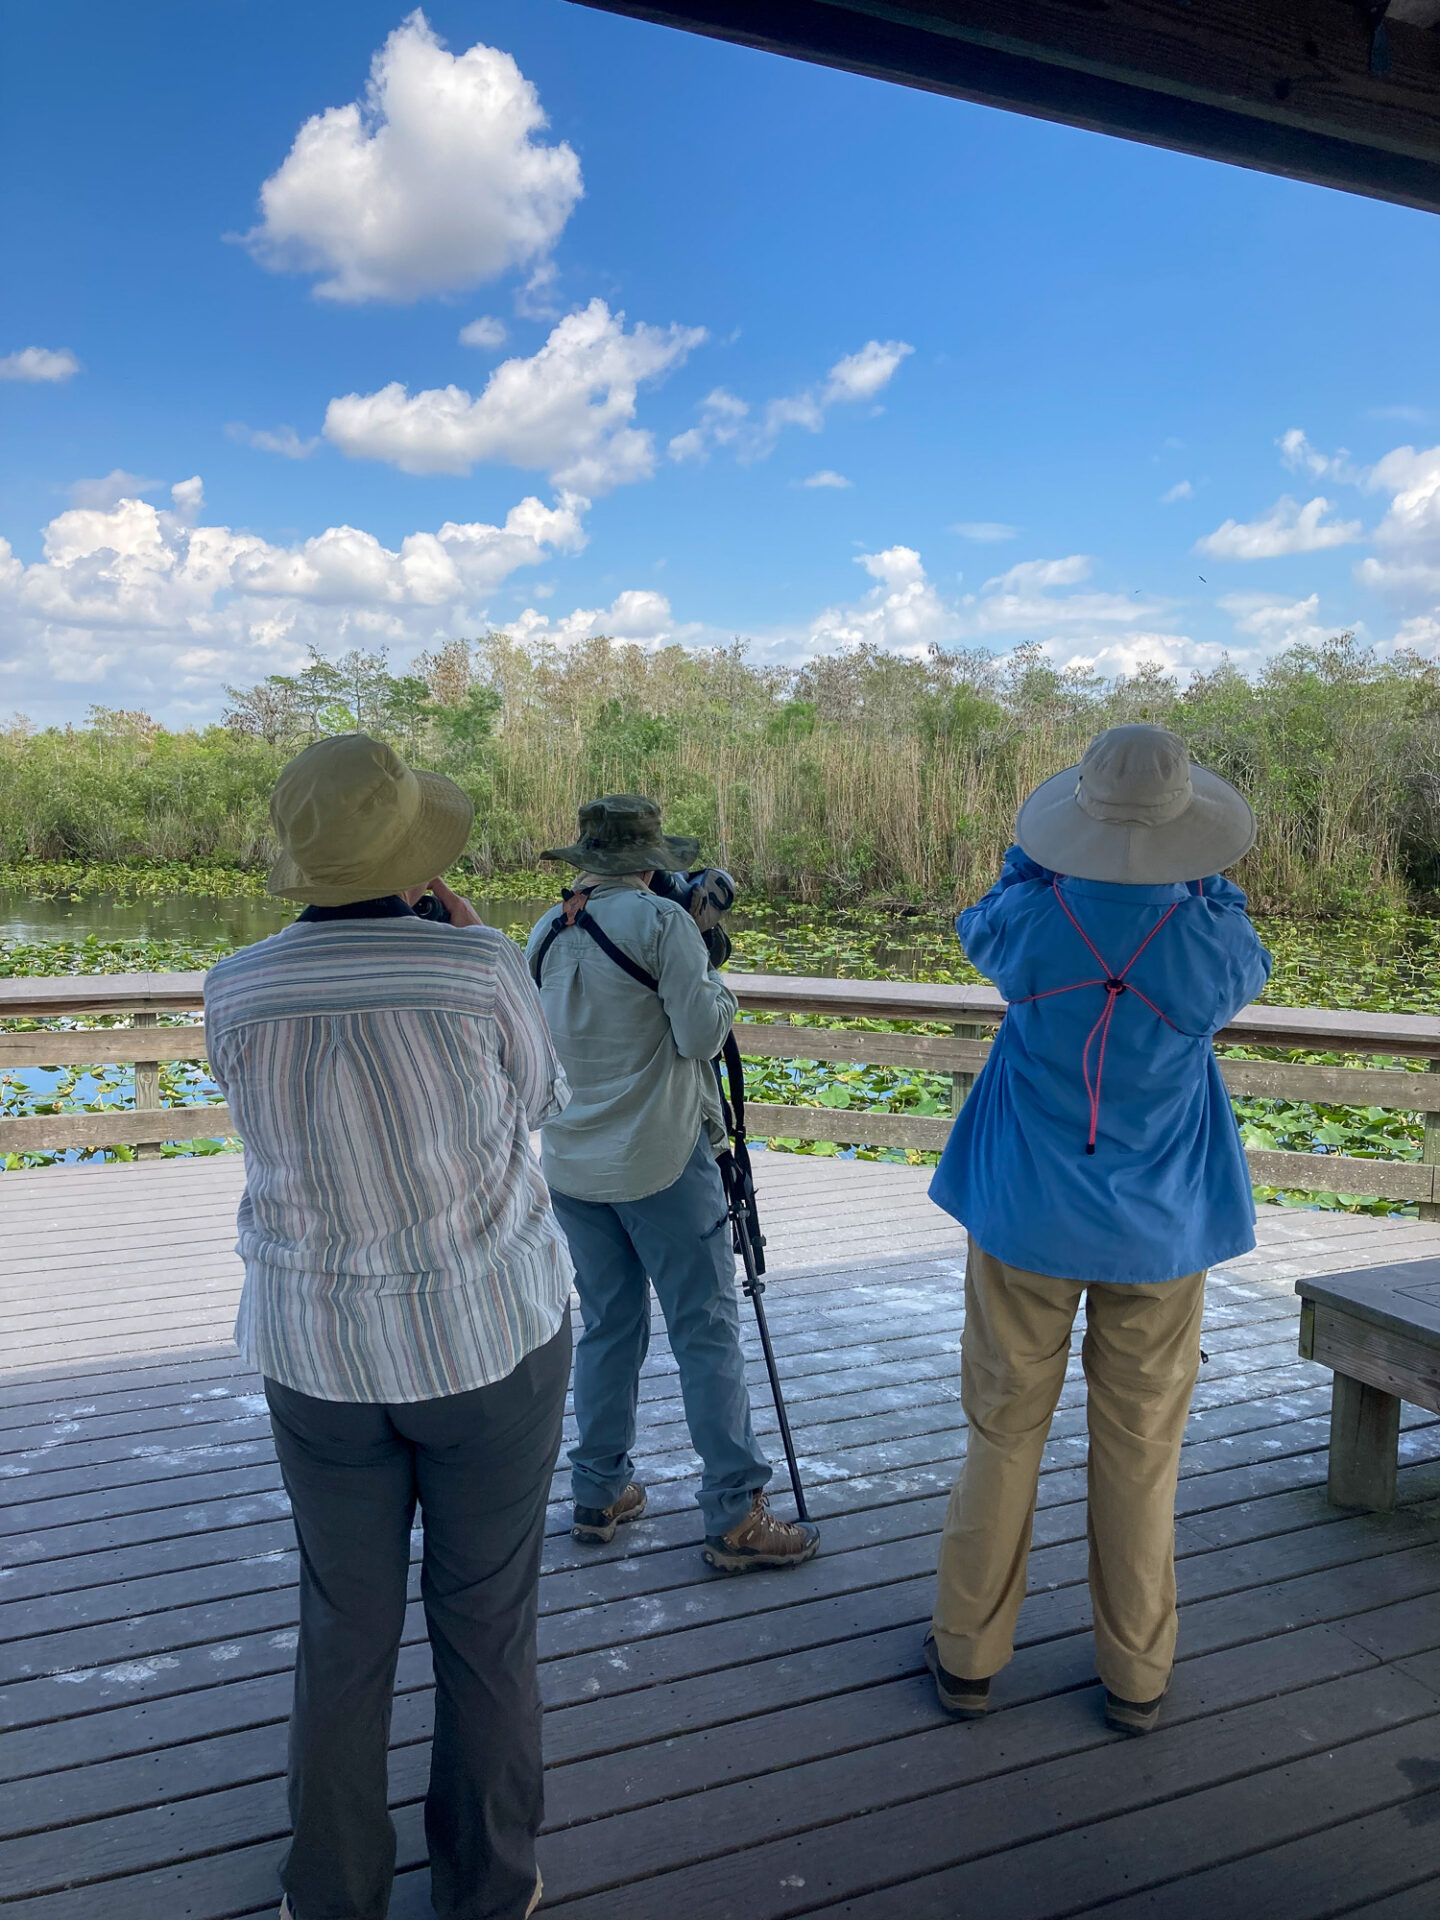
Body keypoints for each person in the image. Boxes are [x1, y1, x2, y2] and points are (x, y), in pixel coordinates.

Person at [204, 734, 572, 1920]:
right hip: (486, 1336)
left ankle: (333, 1890)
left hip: (315, 1350)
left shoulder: (236, 987)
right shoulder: (478, 967)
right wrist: (468, 943)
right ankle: (486, 1884)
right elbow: (544, 1099)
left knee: (343, 1622)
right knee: (485, 1618)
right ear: (419, 858)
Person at [925, 725, 1271, 1735]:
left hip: (1025, 1217)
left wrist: (1031, 862)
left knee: (1001, 1435)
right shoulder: (1210, 944)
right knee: (1141, 1450)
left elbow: (980, 919)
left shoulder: (1033, 922)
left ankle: (968, 1655)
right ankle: (1135, 1673)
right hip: (1159, 1234)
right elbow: (1238, 943)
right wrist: (1205, 885)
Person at [526, 794, 819, 1573]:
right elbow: (700, 1032)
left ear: (586, 859)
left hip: (573, 1163)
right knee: (706, 1330)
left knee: (610, 1325)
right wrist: (705, 951)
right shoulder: (663, 926)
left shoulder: (548, 928)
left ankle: (598, 1491)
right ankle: (734, 1514)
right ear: (650, 861)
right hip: (660, 1158)